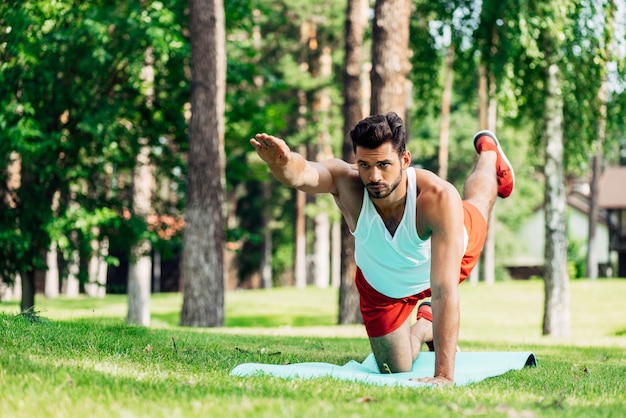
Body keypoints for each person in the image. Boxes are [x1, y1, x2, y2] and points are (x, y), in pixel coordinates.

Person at [249, 112, 514, 386]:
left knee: (478, 202)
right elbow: (303, 173)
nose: (374, 176)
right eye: (364, 165)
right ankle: (426, 325)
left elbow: (445, 291)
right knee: (394, 368)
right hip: (382, 290)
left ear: (405, 160)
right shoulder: (347, 183)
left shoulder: (436, 197)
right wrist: (282, 162)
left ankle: (489, 154)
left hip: (447, 261)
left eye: (384, 164)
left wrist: (444, 376)